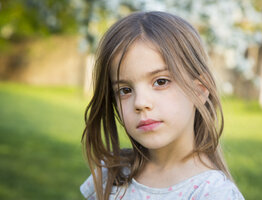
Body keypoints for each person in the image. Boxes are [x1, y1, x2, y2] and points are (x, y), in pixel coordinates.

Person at [80, 11, 245, 200]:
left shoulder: (212, 194)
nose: (141, 103)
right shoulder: (111, 174)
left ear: (199, 90)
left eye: (161, 81)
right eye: (125, 90)